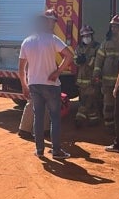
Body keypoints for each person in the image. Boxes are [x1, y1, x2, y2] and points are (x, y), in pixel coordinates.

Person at [18, 9, 75, 160]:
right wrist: (58, 72)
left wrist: (24, 85)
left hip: (34, 84)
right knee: (55, 118)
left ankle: (40, 150)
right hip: (51, 84)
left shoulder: (26, 41)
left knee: (38, 116)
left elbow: (21, 68)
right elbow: (70, 55)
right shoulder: (53, 39)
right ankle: (56, 151)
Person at [93, 15, 119, 137]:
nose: (114, 29)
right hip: (107, 83)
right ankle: (109, 126)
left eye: (116, 27)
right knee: (108, 105)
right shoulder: (105, 44)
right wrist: (96, 74)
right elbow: (98, 61)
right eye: (112, 26)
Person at [74, 25, 101, 127]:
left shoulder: (97, 47)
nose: (86, 37)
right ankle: (94, 120)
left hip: (92, 79)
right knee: (88, 101)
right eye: (84, 36)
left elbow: (98, 62)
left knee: (87, 100)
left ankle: (79, 119)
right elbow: (75, 59)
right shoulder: (79, 47)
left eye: (88, 35)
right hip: (81, 81)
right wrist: (78, 61)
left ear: (92, 35)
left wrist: (87, 61)